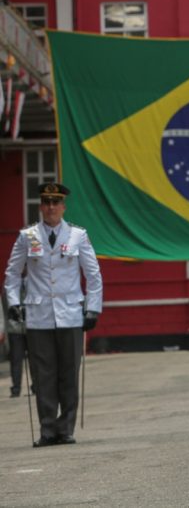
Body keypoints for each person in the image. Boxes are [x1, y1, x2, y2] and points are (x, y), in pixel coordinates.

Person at [4, 182, 103, 446]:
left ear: (63, 206)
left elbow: (93, 275)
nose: (50, 208)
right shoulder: (28, 236)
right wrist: (14, 302)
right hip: (38, 316)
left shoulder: (77, 236)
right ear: (41, 206)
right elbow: (12, 274)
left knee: (69, 373)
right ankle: (48, 430)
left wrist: (93, 308)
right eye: (46, 203)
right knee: (43, 375)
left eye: (55, 203)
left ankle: (65, 428)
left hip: (71, 314)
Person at [3, 293, 27, 397]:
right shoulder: (9, 287)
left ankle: (36, 386)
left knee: (36, 359)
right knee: (16, 359)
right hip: (14, 328)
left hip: (32, 327)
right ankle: (16, 388)